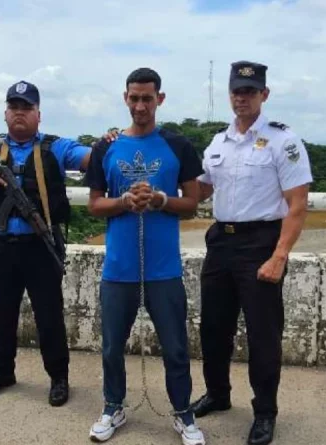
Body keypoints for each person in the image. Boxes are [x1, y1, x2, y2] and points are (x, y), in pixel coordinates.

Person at [0, 80, 91, 407]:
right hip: (1, 246)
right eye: (14, 108)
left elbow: (89, 159)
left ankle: (58, 377)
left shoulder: (55, 148)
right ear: (6, 113)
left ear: (39, 114)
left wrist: (111, 146)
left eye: (26, 108)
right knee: (2, 312)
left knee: (49, 315)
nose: (20, 114)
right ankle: (2, 372)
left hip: (41, 247)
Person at [189, 61, 312, 445]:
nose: (242, 97)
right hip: (221, 243)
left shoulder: (283, 141)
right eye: (237, 91)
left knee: (263, 334)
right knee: (213, 327)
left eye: (250, 91)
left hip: (261, 243)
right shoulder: (217, 142)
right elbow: (201, 190)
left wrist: (280, 256)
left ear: (264, 95)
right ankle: (219, 394)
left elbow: (297, 204)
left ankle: (265, 412)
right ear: (230, 94)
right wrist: (156, 188)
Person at [84, 67, 206, 445]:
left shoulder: (178, 145)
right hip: (119, 265)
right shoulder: (107, 146)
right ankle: (112, 406)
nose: (140, 105)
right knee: (111, 345)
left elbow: (192, 203)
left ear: (160, 100)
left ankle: (183, 414)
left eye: (147, 98)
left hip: (163, 267)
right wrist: (123, 201)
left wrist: (159, 200)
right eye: (134, 98)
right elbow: (94, 205)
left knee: (174, 346)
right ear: (125, 98)